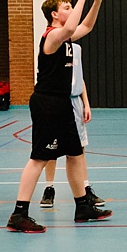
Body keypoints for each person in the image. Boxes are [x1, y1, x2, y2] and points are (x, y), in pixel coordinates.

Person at [5, 0, 111, 233]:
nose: (71, 10)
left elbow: (85, 26)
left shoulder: (67, 39)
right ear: (54, 15)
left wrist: (96, 2)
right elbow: (72, 26)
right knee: (39, 158)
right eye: (66, 7)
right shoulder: (51, 37)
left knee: (75, 154)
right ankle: (19, 214)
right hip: (47, 104)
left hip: (64, 104)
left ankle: (82, 205)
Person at [39, 42, 104, 211]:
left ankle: (85, 188)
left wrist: (86, 104)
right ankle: (49, 188)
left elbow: (79, 76)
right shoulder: (52, 43)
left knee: (79, 147)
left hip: (75, 101)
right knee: (50, 148)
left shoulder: (76, 49)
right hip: (57, 100)